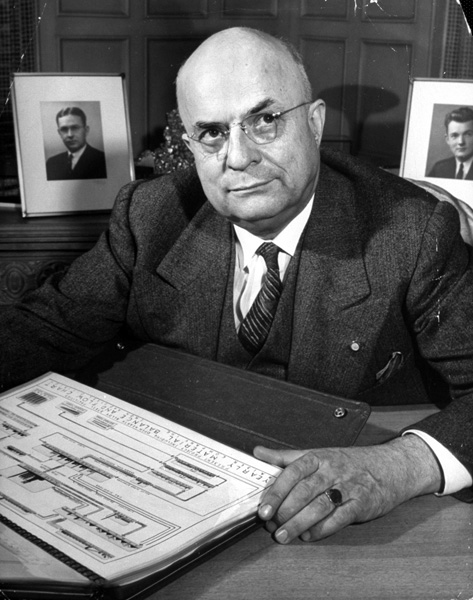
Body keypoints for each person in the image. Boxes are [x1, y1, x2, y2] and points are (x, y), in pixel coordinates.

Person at [1, 28, 472, 546]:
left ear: (313, 124)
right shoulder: (150, 215)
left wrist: (398, 466)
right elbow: (40, 330)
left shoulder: (411, 230)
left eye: (265, 121)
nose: (239, 157)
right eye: (212, 133)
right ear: (190, 145)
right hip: (172, 502)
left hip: (350, 531)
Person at [45, 106, 107, 180]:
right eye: (64, 129)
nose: (70, 135)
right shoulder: (52, 163)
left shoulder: (103, 160)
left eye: (75, 128)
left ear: (86, 130)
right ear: (59, 133)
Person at [428, 106, 473, 180]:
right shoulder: (439, 169)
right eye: (454, 135)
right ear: (447, 139)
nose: (461, 142)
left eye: (468, 134)